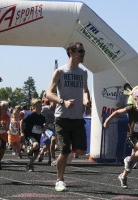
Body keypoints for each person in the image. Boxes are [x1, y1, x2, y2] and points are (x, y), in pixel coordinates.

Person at [46, 42, 91, 192]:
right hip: (62, 117)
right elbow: (49, 93)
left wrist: (87, 101)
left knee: (80, 151)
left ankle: (65, 156)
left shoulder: (83, 73)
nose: (83, 54)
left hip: (78, 117)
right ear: (71, 52)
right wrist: (62, 101)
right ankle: (59, 180)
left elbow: (85, 91)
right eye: (81, 51)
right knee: (65, 150)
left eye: (84, 51)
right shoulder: (60, 71)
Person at [104, 87, 138, 188]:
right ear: (135, 99)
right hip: (132, 137)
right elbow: (117, 112)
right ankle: (128, 159)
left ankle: (123, 176)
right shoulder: (131, 109)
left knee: (133, 162)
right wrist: (107, 121)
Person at [20, 98, 46, 172]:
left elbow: (43, 126)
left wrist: (44, 127)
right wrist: (22, 132)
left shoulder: (42, 117)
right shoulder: (31, 114)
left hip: (38, 135)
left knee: (36, 153)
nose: (40, 108)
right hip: (30, 135)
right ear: (34, 106)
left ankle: (29, 164)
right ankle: (29, 149)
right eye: (38, 106)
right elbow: (22, 121)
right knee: (36, 145)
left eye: (41, 106)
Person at [38, 99, 57, 166]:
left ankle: (42, 153)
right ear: (51, 102)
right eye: (54, 103)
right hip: (46, 129)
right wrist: (42, 124)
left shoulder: (57, 110)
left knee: (47, 145)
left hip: (53, 128)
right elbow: (39, 117)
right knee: (53, 140)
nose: (55, 105)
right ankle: (52, 159)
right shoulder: (45, 109)